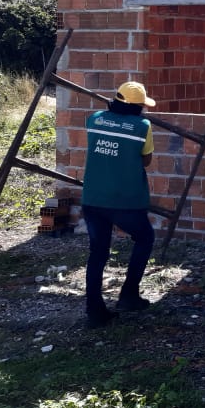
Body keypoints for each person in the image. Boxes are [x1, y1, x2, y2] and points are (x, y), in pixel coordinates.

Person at [80, 81, 158, 328]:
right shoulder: (142, 126)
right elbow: (146, 160)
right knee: (145, 238)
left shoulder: (95, 119)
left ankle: (95, 310)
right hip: (125, 201)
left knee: (98, 252)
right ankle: (129, 295)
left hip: (92, 199)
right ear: (137, 107)